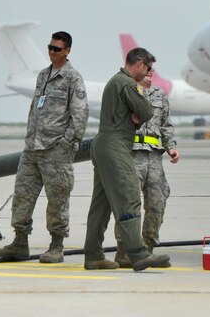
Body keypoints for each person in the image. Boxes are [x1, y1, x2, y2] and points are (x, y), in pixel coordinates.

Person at [0, 31, 89, 263]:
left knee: (57, 199)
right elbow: (36, 108)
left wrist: (65, 145)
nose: (52, 52)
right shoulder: (43, 76)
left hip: (55, 151)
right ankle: (19, 242)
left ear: (67, 51)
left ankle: (56, 246)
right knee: (22, 196)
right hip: (32, 149)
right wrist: (29, 139)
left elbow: (80, 116)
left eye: (57, 48)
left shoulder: (73, 78)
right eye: (50, 47)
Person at [83, 47, 171, 272]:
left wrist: (136, 113)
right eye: (149, 68)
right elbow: (147, 112)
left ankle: (93, 256)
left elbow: (139, 113)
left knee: (101, 205)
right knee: (130, 196)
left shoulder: (115, 82)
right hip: (116, 146)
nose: (149, 72)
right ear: (140, 63)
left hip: (103, 144)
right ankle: (139, 255)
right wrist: (139, 104)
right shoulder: (127, 83)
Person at [114, 70, 179, 268]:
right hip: (132, 154)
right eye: (146, 68)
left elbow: (166, 124)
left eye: (152, 69)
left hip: (154, 157)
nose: (150, 72)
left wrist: (171, 147)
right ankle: (124, 251)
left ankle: (147, 249)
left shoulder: (159, 94)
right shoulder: (126, 92)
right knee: (128, 203)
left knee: (157, 202)